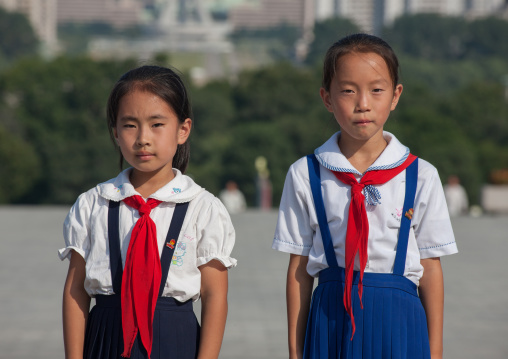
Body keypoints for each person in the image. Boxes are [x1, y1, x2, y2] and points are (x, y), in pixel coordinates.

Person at [272, 34, 458, 359]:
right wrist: (294, 350)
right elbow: (298, 269)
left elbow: (430, 267)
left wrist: (436, 351)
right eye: (347, 90)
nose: (363, 104)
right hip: (330, 319)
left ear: (396, 95)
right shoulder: (305, 174)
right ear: (327, 98)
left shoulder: (420, 175)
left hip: (400, 320)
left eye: (376, 89)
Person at [60, 65, 237, 359]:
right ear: (115, 131)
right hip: (106, 337)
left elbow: (214, 295)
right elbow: (75, 290)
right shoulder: (93, 204)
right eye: (130, 125)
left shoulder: (204, 208)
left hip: (175, 337)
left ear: (183, 130)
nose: (143, 138)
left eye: (157, 124)